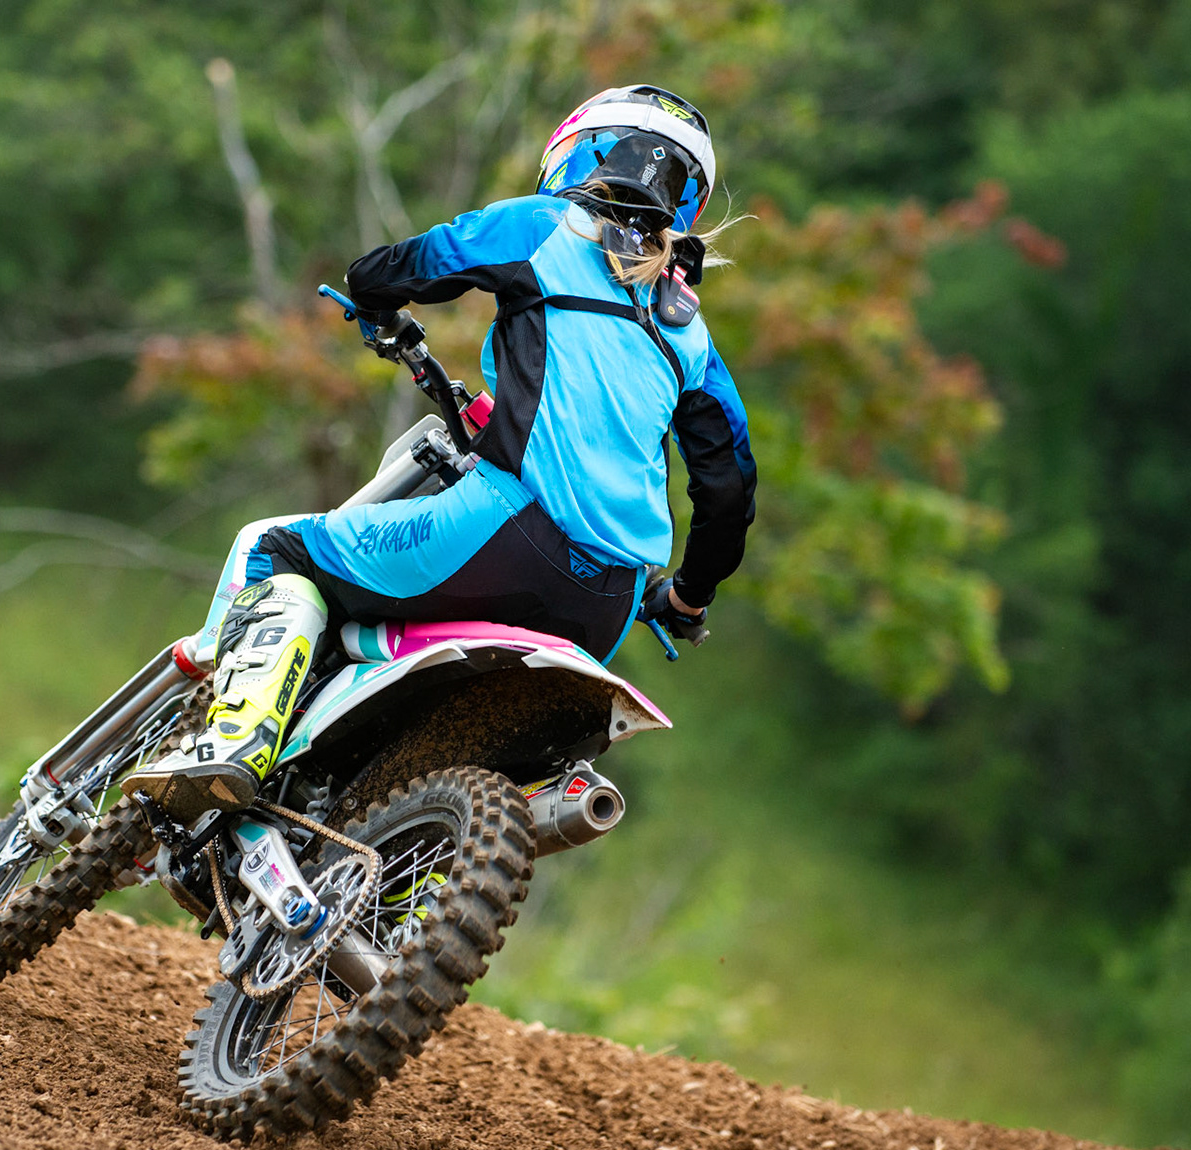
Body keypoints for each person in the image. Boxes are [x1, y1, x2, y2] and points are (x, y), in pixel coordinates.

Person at [127, 84, 756, 824]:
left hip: (502, 530)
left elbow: (397, 268)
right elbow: (728, 490)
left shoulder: (543, 227)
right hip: (608, 604)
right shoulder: (691, 334)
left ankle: (232, 738)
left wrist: (374, 300)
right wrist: (685, 598)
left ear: (583, 152)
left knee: (276, 550)